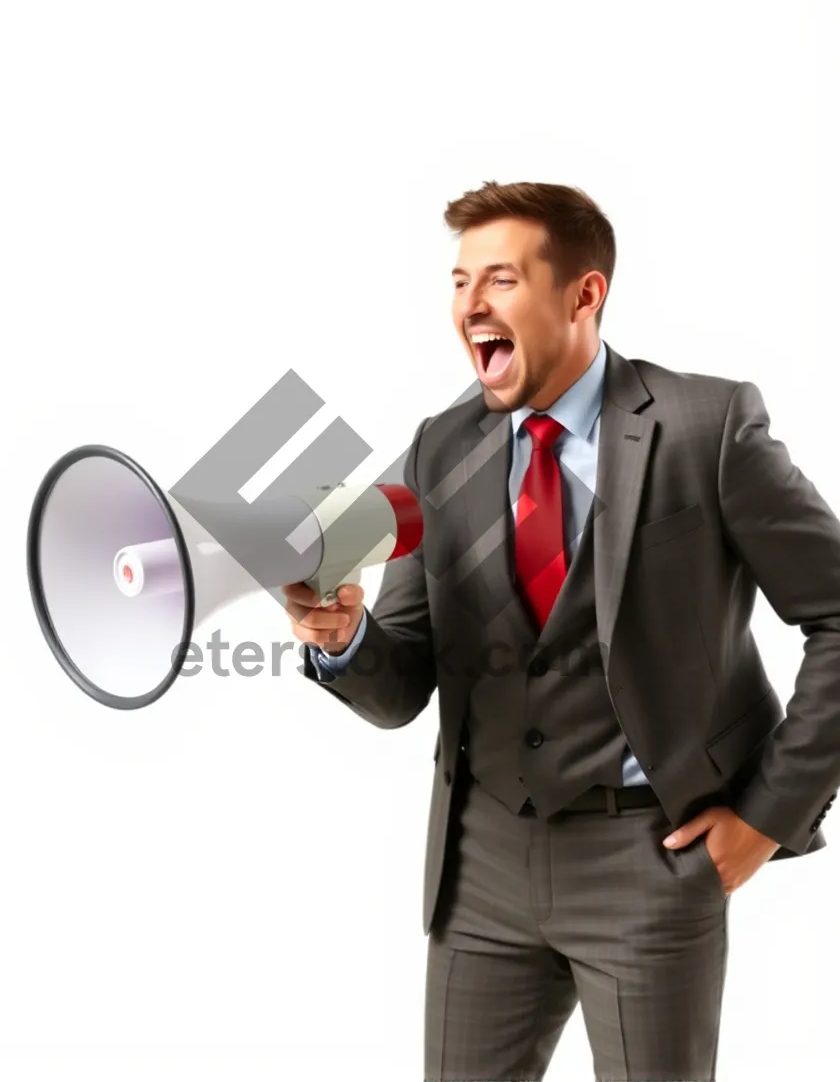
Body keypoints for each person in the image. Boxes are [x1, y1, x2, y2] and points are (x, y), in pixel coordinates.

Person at [282, 180, 840, 1082]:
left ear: (585, 295)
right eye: (460, 282)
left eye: (499, 280)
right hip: (481, 866)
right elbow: (399, 689)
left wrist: (764, 820)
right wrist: (343, 638)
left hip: (651, 858)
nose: (471, 305)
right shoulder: (439, 448)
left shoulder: (709, 426)